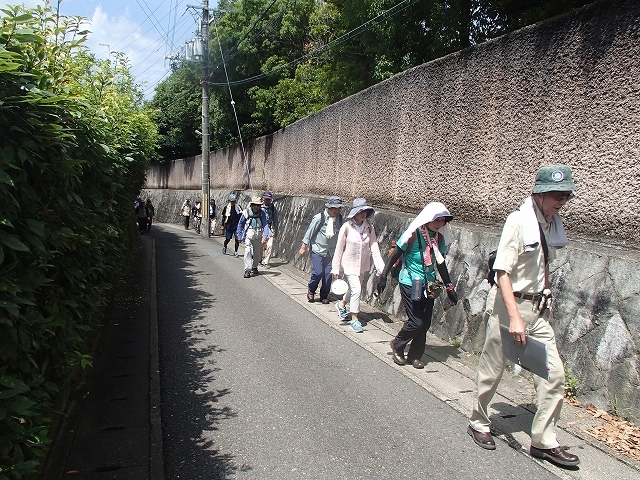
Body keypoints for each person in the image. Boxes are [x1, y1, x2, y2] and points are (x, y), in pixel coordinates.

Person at [467, 164, 579, 468]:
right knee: (492, 371)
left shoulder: (551, 224)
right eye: (556, 195)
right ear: (539, 194)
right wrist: (515, 317)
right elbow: (502, 272)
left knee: (554, 374)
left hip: (537, 310)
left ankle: (543, 441)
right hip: (508, 306)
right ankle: (479, 421)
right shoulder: (518, 221)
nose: (561, 201)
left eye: (565, 195)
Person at [377, 202, 458, 369]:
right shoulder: (412, 234)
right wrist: (383, 276)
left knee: (425, 322)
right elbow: (395, 256)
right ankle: (398, 345)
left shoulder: (439, 239)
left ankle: (415, 355)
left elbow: (441, 264)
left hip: (429, 285)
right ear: (427, 219)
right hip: (409, 281)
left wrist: (449, 287)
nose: (439, 223)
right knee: (416, 321)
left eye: (443, 221)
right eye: (437, 220)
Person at [331, 198, 385, 333]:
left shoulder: (369, 228)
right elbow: (339, 248)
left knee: (354, 288)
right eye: (360, 211)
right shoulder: (347, 227)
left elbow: (374, 247)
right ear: (354, 213)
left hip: (362, 265)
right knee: (357, 289)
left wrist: (380, 267)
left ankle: (341, 304)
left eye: (365, 211)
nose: (363, 214)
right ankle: (355, 319)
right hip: (349, 264)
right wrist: (335, 267)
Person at [299, 196, 344, 304]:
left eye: (338, 208)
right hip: (317, 250)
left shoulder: (340, 219)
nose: (336, 211)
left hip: (331, 252)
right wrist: (303, 247)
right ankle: (311, 290)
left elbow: (342, 236)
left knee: (328, 275)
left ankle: (324, 295)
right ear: (328, 207)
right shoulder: (319, 218)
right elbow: (309, 232)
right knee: (318, 272)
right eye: (334, 208)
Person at [236, 196, 269, 278]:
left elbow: (265, 224)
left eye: (258, 205)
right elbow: (240, 224)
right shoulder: (246, 212)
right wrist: (239, 236)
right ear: (251, 205)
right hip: (249, 235)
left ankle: (254, 266)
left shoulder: (262, 213)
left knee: (257, 253)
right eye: (255, 205)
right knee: (247, 251)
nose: (256, 207)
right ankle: (247, 269)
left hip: (258, 235)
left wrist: (265, 236)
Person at [260, 191, 278, 269]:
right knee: (260, 246)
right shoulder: (259, 206)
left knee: (270, 245)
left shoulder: (272, 207)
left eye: (269, 199)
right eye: (266, 199)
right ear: (263, 199)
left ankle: (265, 262)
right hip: (260, 228)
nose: (267, 201)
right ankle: (259, 259)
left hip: (269, 228)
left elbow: (275, 219)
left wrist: (276, 230)